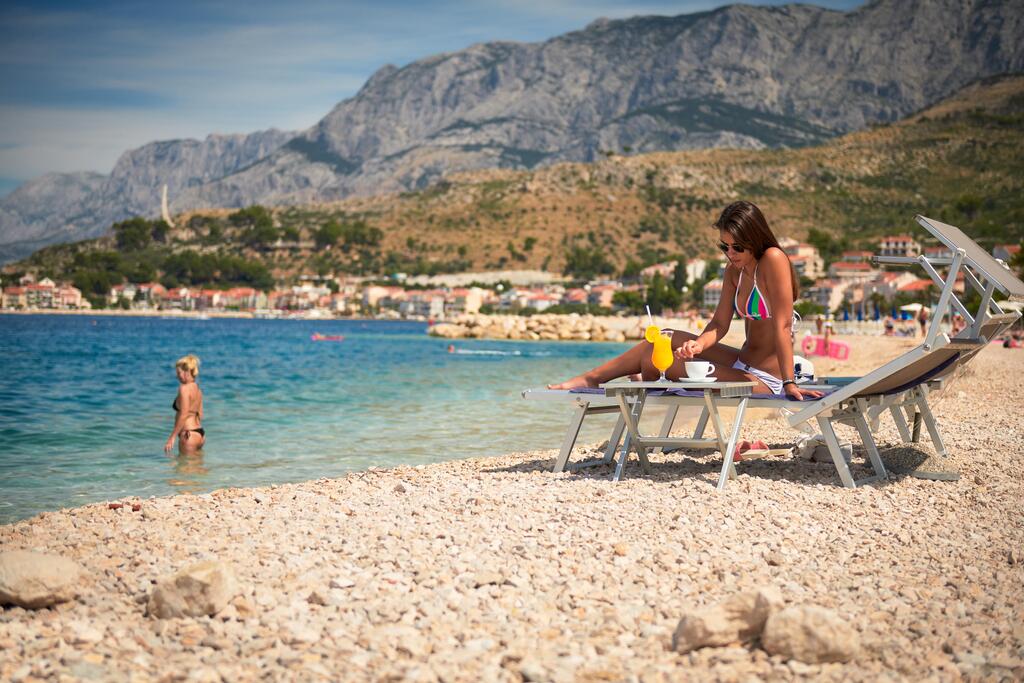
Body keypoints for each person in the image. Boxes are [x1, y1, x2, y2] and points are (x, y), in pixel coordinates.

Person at [550, 201, 823, 400]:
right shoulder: (734, 270)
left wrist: (789, 383)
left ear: (755, 239)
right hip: (741, 362)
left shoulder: (773, 259)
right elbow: (719, 323)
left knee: (657, 361)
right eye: (724, 246)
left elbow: (783, 326)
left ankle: (644, 379)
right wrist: (698, 344)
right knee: (663, 339)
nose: (730, 253)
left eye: (737, 247)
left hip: (767, 378)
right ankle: (593, 378)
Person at [165, 354, 205, 453]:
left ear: (187, 372)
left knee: (184, 463)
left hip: (188, 435)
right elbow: (200, 414)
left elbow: (184, 414)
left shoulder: (184, 389)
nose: (177, 376)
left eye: (179, 373)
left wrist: (172, 437)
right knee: (196, 463)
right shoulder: (198, 389)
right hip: (200, 434)